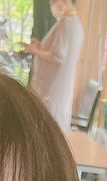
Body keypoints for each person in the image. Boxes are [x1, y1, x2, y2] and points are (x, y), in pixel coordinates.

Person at [23, 0, 84, 130]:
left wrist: (35, 50)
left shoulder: (66, 23)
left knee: (46, 123)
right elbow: (56, 50)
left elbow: (57, 56)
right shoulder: (76, 24)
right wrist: (40, 46)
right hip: (60, 86)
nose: (53, 4)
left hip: (52, 87)